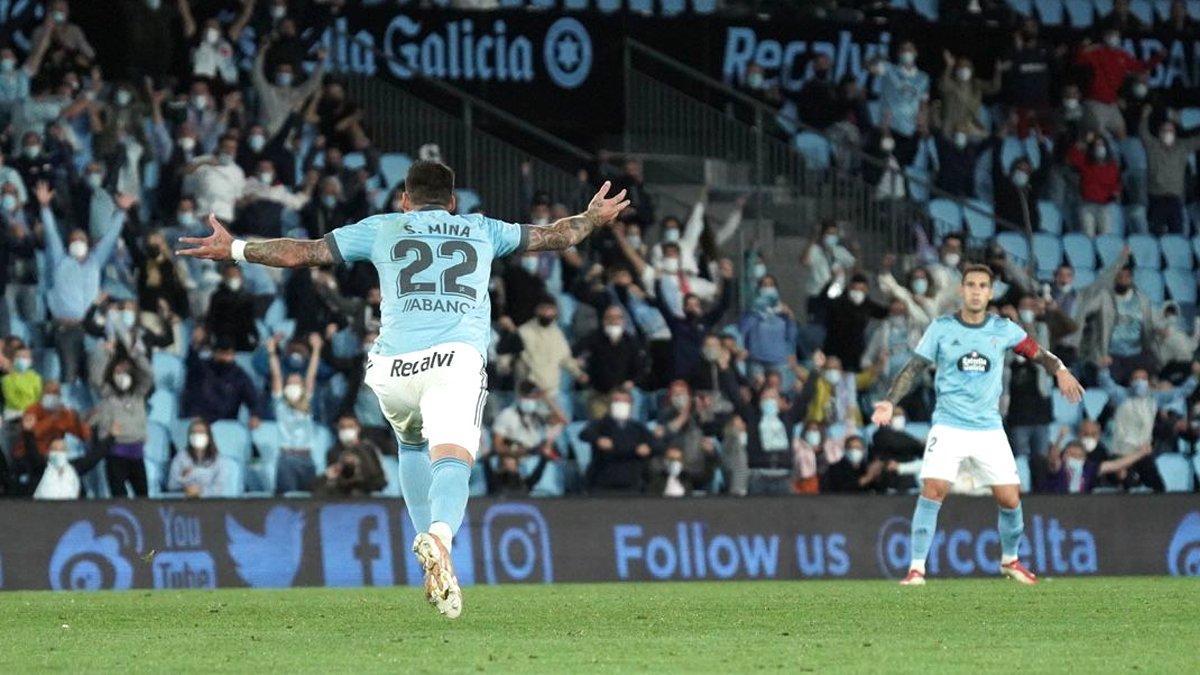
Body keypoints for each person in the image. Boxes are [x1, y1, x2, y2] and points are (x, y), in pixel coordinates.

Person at [177, 160, 629, 619]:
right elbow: (558, 235)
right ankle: (439, 539)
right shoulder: (482, 229)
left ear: (406, 200)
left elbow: (302, 253)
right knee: (453, 457)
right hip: (453, 360)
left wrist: (234, 247)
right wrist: (592, 217)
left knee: (411, 446)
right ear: (452, 203)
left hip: (393, 367)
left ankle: (432, 559)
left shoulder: (384, 227)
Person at [871, 264, 1083, 586]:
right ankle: (916, 569)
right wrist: (889, 400)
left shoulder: (1003, 328)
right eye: (970, 284)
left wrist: (1061, 370)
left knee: (1010, 498)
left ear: (990, 292)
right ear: (961, 290)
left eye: (983, 285)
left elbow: (1037, 353)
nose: (975, 290)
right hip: (949, 425)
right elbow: (914, 369)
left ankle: (1010, 560)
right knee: (933, 489)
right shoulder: (941, 328)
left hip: (988, 429)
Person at [89, 345, 153, 498]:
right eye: (118, 372)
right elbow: (95, 376)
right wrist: (105, 352)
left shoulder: (139, 394)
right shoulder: (107, 394)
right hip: (115, 452)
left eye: (126, 371)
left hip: (137, 453)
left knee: (143, 498)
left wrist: (137, 355)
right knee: (119, 499)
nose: (122, 375)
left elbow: (149, 375)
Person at [268, 333, 323, 494]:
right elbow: (277, 375)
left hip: (307, 458)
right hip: (286, 458)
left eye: (297, 383)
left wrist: (316, 350)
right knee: (288, 501)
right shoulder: (280, 404)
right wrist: (272, 352)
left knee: (311, 501)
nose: (293, 385)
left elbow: (311, 374)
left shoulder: (307, 403)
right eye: (290, 383)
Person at [580, 389, 654, 494]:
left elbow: (655, 444)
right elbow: (584, 434)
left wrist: (648, 448)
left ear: (631, 405)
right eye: (617, 401)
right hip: (603, 482)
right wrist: (598, 439)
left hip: (631, 482)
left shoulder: (638, 427)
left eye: (625, 402)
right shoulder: (601, 424)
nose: (621, 405)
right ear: (610, 404)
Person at [312, 415, 388, 497]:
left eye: (350, 426)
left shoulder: (369, 450)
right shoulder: (333, 452)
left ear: (358, 428)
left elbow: (380, 481)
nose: (346, 430)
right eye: (342, 427)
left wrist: (361, 469)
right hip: (340, 497)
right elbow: (333, 480)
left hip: (366, 496)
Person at [167, 418, 226, 497]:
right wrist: (184, 482)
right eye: (194, 433)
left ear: (208, 436)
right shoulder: (180, 457)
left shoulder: (219, 459)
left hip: (210, 503)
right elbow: (171, 485)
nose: (197, 435)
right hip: (185, 501)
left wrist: (201, 491)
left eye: (201, 432)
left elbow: (220, 488)